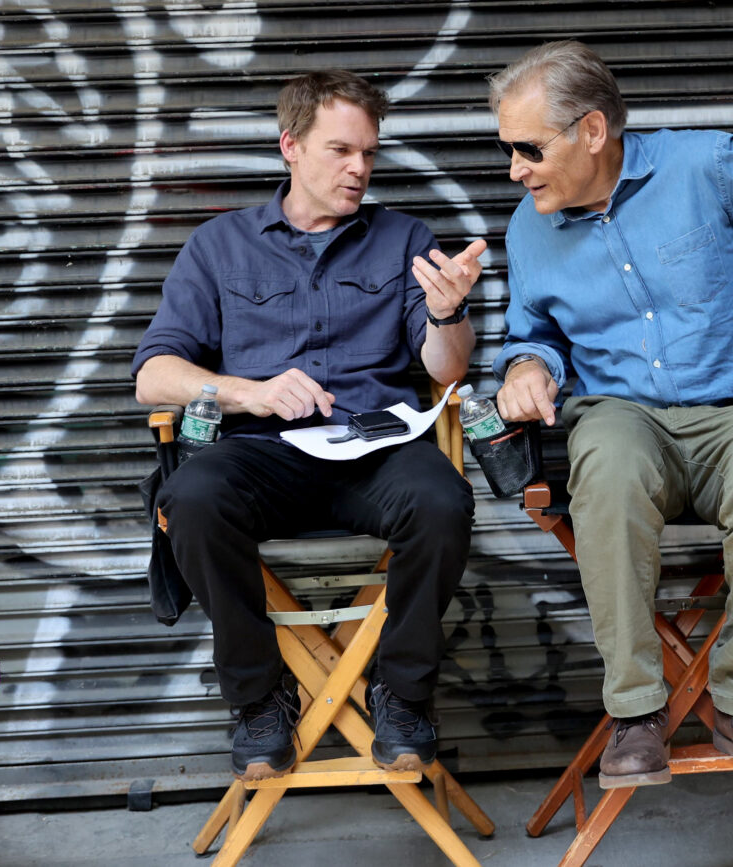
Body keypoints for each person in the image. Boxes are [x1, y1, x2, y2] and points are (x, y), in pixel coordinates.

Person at [489, 41, 733, 793]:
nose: (515, 170)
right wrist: (527, 368)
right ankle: (634, 711)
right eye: (509, 151)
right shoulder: (529, 227)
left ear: (592, 131)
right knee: (611, 472)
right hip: (620, 412)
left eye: (528, 149)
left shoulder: (708, 167)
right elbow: (531, 335)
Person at [132, 70, 486, 780]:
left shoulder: (403, 239)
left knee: (444, 500)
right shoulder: (219, 246)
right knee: (191, 501)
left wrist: (449, 314)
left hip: (374, 449)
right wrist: (249, 391)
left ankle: (403, 693)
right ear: (290, 146)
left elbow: (445, 371)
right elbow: (152, 376)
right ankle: (261, 699)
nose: (359, 168)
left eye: (369, 154)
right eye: (340, 150)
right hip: (264, 455)